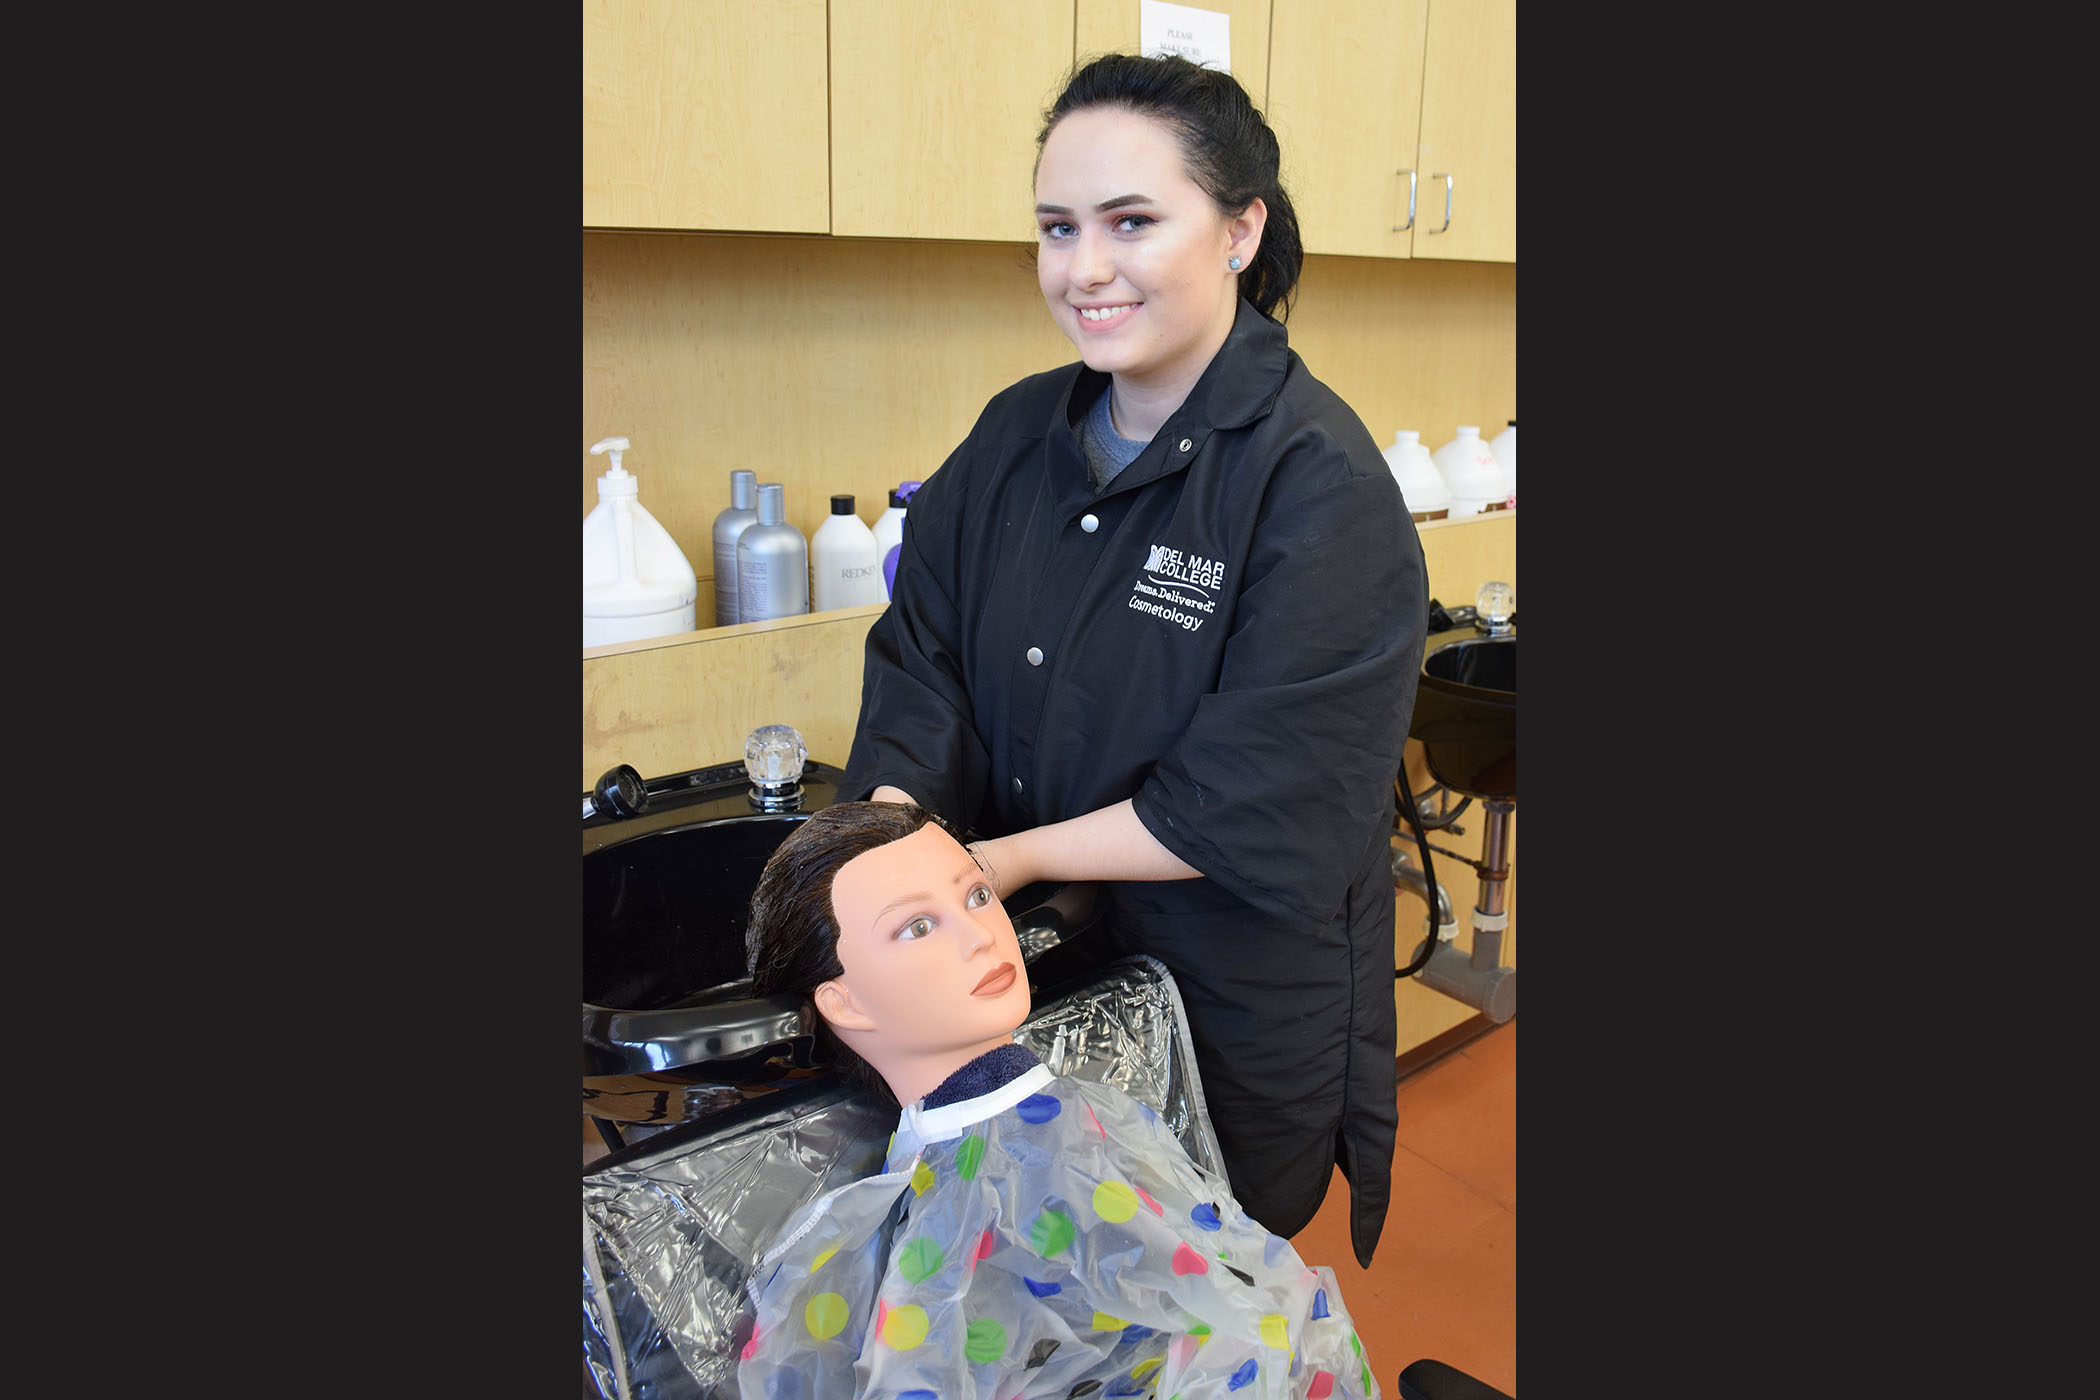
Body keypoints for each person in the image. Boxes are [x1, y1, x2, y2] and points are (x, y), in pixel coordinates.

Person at [839, 52, 1427, 1265]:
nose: (1084, 268)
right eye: (1059, 228)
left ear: (1239, 229)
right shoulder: (1014, 432)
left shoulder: (1315, 483)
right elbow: (921, 654)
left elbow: (1261, 795)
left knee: (1189, 1290)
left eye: (1132, 222)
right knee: (1039, 1284)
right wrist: (891, 848)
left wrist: (993, 865)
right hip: (1030, 977)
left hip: (1218, 1006)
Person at [737, 801, 1380, 1400]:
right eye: (920, 925)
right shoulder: (919, 1225)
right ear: (843, 1002)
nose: (982, 934)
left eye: (979, 894)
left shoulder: (1079, 1132)